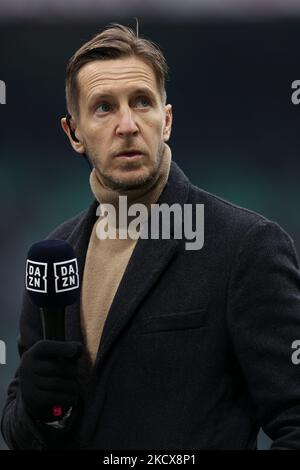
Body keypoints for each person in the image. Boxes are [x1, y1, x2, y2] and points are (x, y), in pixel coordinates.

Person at [2, 23, 300, 451]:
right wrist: (35, 409)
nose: (127, 124)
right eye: (103, 107)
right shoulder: (54, 255)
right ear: (73, 134)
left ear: (167, 121)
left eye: (142, 102)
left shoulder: (245, 246)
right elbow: (20, 433)